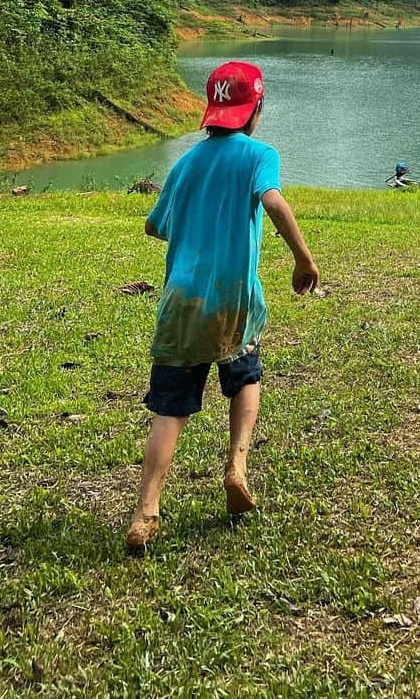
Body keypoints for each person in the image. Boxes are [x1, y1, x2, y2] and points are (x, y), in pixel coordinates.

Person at [125, 61, 319, 553]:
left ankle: (147, 510)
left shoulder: (186, 163)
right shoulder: (259, 155)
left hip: (181, 303)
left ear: (213, 110)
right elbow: (273, 202)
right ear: (256, 108)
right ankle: (236, 466)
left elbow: (154, 225)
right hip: (234, 300)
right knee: (246, 378)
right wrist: (303, 258)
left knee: (170, 409)